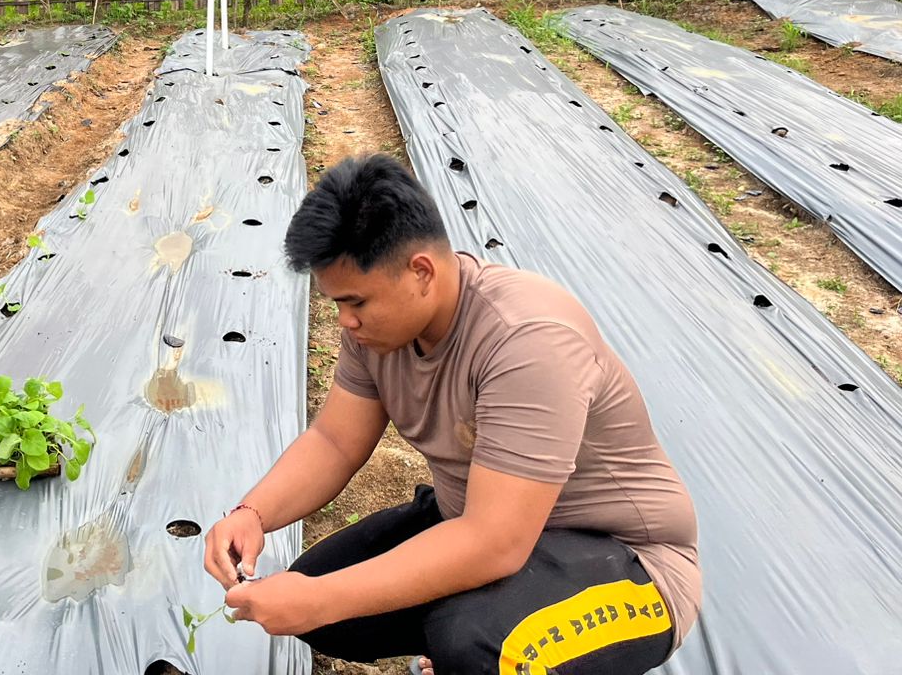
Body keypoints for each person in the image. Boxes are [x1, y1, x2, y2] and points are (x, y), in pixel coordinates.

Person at [206, 154, 700, 675]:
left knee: (475, 643)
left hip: (628, 564)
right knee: (327, 603)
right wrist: (251, 514)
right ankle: (481, 630)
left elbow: (495, 543)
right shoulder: (378, 330)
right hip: (478, 520)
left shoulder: (527, 340)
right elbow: (335, 440)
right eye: (336, 303)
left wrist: (323, 597)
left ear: (421, 271)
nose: (345, 321)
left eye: (356, 302)